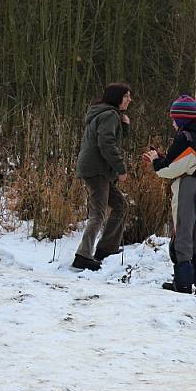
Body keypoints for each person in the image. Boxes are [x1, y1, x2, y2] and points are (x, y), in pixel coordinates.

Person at [142, 95, 196, 296]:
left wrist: (156, 160)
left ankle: (182, 284)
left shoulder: (184, 138)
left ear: (181, 119)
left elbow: (169, 169)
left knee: (182, 235)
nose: (173, 123)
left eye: (174, 118)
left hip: (187, 189)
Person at [73, 82, 132, 271]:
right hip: (97, 170)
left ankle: (106, 249)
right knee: (97, 214)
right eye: (126, 96)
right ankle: (82, 256)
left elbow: (112, 138)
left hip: (97, 169)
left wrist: (125, 127)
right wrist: (121, 169)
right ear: (117, 98)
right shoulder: (109, 115)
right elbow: (106, 144)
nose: (130, 100)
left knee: (121, 206)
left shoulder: (106, 114)